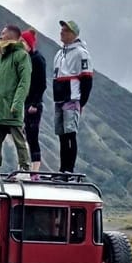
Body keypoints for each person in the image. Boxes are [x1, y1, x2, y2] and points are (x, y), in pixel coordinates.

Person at [0, 25, 32, 174]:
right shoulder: (0, 59)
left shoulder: (21, 55)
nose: (0, 36)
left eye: (3, 34)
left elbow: (24, 81)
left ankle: (25, 169)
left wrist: (17, 102)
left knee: (19, 140)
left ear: (11, 36)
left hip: (11, 107)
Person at [52, 19, 93, 174]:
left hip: (72, 98)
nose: (61, 32)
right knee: (61, 135)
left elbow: (87, 80)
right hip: (59, 98)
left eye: (66, 30)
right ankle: (62, 169)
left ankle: (69, 169)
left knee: (70, 134)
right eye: (62, 29)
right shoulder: (59, 53)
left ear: (74, 34)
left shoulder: (82, 53)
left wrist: (82, 102)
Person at [20, 29, 47, 173]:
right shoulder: (24, 59)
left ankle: (35, 170)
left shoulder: (37, 59)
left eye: (23, 42)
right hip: (24, 103)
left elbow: (42, 84)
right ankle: (23, 167)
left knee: (32, 135)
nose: (20, 44)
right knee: (22, 136)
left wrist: (35, 103)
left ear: (29, 44)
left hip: (33, 104)